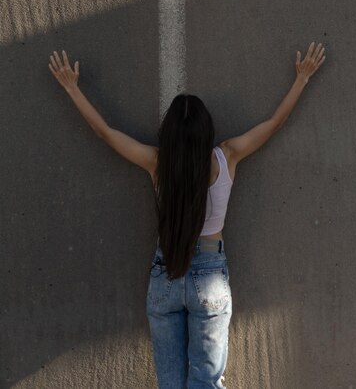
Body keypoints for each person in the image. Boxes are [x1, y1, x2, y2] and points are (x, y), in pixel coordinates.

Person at [48, 41, 326, 388]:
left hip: (167, 273)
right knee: (205, 384)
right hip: (209, 276)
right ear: (206, 131)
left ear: (169, 136)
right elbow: (275, 122)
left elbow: (104, 133)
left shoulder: (156, 163)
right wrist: (301, 79)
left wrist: (72, 88)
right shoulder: (227, 156)